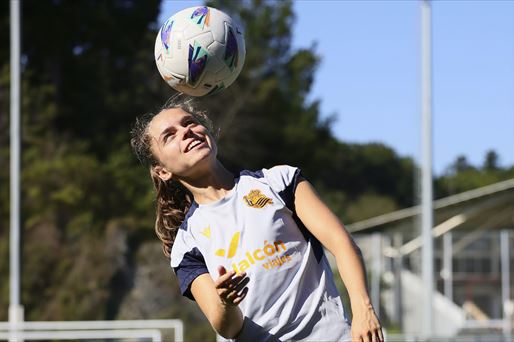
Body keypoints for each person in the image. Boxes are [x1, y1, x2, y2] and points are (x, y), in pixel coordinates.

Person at [130, 97, 383, 342]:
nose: (186, 132)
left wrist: (363, 310)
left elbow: (342, 243)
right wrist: (226, 302)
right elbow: (229, 329)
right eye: (169, 135)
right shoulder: (187, 244)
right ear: (162, 171)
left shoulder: (279, 182)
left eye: (189, 123)